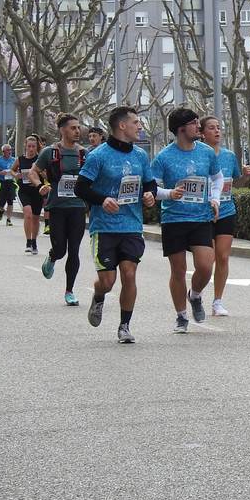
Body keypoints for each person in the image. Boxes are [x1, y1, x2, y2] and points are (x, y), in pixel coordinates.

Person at [74, 107, 159, 344]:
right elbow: (80, 188)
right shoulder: (98, 155)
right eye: (136, 122)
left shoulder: (141, 156)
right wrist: (102, 199)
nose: (140, 126)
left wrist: (150, 195)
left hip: (132, 225)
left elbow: (150, 184)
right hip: (104, 228)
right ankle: (99, 295)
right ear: (122, 126)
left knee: (129, 274)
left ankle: (124, 326)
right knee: (108, 282)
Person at [150, 108, 223, 334]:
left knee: (205, 266)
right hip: (174, 219)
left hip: (201, 217)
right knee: (178, 270)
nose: (198, 127)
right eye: (194, 123)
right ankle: (181, 316)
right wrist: (169, 194)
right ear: (181, 129)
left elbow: (217, 177)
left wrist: (214, 199)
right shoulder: (163, 157)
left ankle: (196, 295)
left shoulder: (206, 152)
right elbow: (152, 187)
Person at [32, 113, 88, 305]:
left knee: (74, 250)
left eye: (78, 127)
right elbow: (33, 172)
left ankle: (69, 291)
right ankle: (52, 256)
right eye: (73, 128)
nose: (77, 131)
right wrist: (40, 186)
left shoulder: (84, 154)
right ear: (62, 130)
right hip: (57, 208)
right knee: (60, 249)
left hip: (77, 208)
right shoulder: (50, 152)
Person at [199, 116, 250, 317]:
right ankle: (196, 295)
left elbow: (235, 183)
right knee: (208, 259)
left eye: (219, 128)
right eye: (212, 128)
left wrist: (245, 177)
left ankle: (217, 301)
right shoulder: (199, 155)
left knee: (223, 256)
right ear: (202, 133)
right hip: (205, 213)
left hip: (227, 210)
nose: (217, 131)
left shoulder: (229, 156)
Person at [13, 135, 44, 254]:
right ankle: (28, 242)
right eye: (29, 146)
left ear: (37, 147)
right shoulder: (20, 159)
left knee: (36, 218)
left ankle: (34, 242)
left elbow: (46, 175)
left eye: (33, 146)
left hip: (36, 192)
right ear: (25, 146)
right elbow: (12, 170)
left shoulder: (40, 160)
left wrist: (40, 175)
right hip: (24, 191)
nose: (31, 149)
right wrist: (15, 174)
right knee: (28, 214)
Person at [0, 144, 17, 225]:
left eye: (10, 150)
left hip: (11, 182)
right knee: (2, 202)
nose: (10, 152)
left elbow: (18, 170)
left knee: (10, 201)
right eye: (8, 150)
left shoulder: (14, 160)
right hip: (2, 182)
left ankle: (8, 219)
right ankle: (1, 210)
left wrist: (15, 173)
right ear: (3, 152)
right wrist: (0, 172)